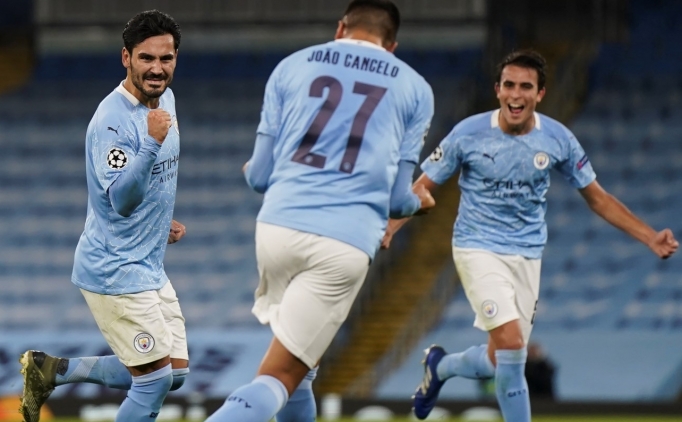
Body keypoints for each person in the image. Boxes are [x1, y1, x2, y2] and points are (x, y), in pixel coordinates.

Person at [381, 49, 679, 422]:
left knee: (500, 360)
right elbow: (424, 186)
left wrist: (649, 237)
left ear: (540, 94)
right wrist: (391, 225)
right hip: (477, 248)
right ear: (497, 89)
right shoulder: (468, 133)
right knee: (510, 346)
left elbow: (598, 198)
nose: (516, 95)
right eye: (509, 85)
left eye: (526, 87)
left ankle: (441, 367)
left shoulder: (558, 139)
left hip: (527, 255)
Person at [205, 1, 435, 421]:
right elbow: (398, 200)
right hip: (341, 242)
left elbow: (259, 176)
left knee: (303, 368)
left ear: (341, 28)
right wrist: (420, 203)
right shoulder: (414, 88)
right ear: (392, 46)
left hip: (276, 230)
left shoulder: (292, 66)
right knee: (279, 375)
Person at [19, 10, 189, 422]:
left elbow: (147, 185)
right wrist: (150, 143)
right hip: (116, 268)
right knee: (153, 381)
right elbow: (122, 201)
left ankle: (53, 371)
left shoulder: (164, 100)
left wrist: (157, 221)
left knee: (176, 373)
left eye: (165, 58)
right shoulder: (112, 121)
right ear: (126, 58)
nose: (157, 68)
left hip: (147, 263)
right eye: (146, 58)